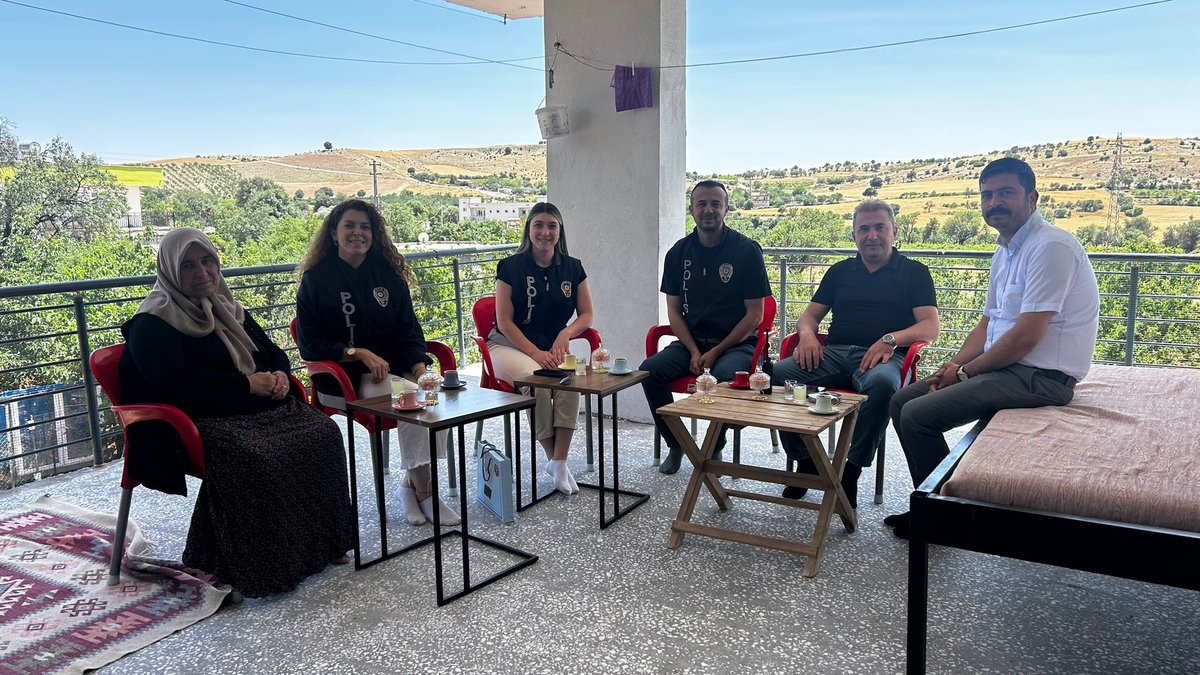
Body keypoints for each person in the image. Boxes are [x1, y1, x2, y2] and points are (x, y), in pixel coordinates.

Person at [118, 227, 354, 599]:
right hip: (196, 420)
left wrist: (277, 374)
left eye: (208, 261)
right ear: (169, 271)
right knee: (258, 456)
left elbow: (271, 351)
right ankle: (265, 566)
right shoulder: (153, 322)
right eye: (189, 265)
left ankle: (321, 545)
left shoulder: (226, 307)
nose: (203, 272)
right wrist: (246, 386)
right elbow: (172, 383)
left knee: (323, 433)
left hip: (251, 407)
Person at [887, 157, 1100, 538]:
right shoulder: (1006, 251)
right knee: (902, 401)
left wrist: (967, 373)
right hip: (1009, 370)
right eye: (987, 195)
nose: (994, 202)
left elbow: (1025, 337)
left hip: (1041, 377)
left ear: (1032, 198)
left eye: (1006, 193)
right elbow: (989, 323)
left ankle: (944, 519)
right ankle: (937, 503)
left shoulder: (1051, 247)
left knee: (919, 415)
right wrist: (950, 367)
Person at [296, 199, 460, 527]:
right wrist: (356, 353)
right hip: (345, 376)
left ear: (375, 234)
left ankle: (408, 488)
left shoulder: (387, 275)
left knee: (430, 396)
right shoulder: (317, 280)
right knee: (413, 401)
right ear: (333, 233)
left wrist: (420, 368)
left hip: (395, 373)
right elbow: (309, 344)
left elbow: (409, 330)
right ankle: (428, 495)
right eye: (349, 226)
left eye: (365, 227)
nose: (358, 233)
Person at [772, 200, 940, 508]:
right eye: (864, 229)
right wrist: (807, 336)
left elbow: (930, 327)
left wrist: (891, 339)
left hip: (885, 358)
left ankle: (849, 471)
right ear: (854, 236)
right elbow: (809, 317)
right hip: (834, 353)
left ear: (894, 232)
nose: (872, 235)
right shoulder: (840, 272)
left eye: (880, 228)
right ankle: (806, 460)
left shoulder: (914, 273)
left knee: (883, 385)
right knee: (782, 374)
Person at [641, 180, 772, 475]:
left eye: (715, 203)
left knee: (724, 379)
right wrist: (693, 349)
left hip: (737, 344)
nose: (708, 210)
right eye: (702, 204)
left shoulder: (747, 251)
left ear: (726, 208)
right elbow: (673, 311)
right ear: (692, 209)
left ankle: (714, 446)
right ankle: (677, 444)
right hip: (692, 342)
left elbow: (754, 315)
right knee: (649, 373)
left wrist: (714, 352)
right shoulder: (677, 253)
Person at [489, 202, 595, 495]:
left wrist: (566, 332)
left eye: (552, 226)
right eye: (539, 225)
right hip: (508, 345)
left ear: (560, 232)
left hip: (551, 347)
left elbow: (586, 314)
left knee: (567, 382)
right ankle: (556, 461)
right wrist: (536, 354)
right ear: (529, 229)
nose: (545, 232)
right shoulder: (510, 266)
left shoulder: (573, 267)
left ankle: (558, 463)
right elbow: (505, 322)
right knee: (538, 382)